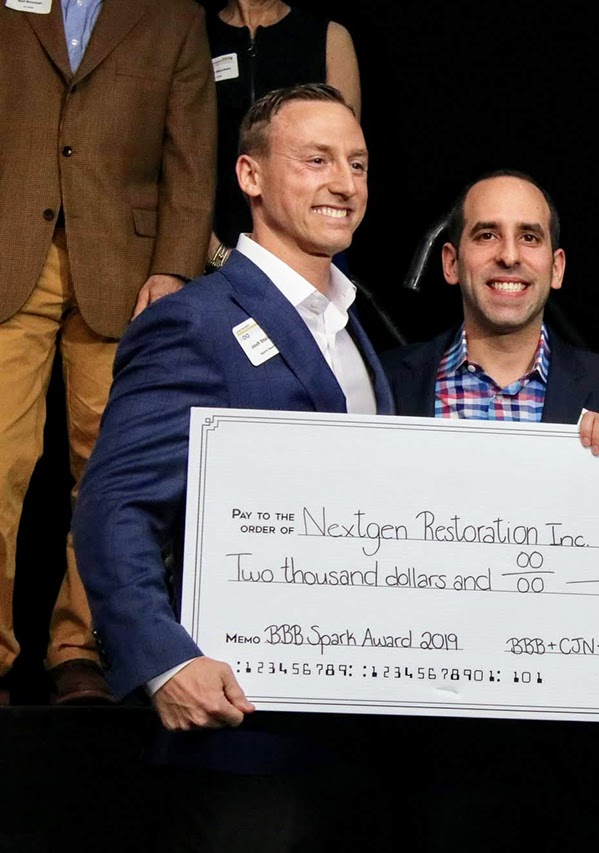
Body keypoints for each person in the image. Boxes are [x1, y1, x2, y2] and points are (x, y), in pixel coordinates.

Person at [72, 83, 392, 850]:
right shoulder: (193, 320)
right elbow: (113, 506)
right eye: (316, 160)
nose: (343, 183)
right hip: (239, 742)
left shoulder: (359, 334)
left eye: (356, 164)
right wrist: (164, 661)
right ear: (250, 175)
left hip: (356, 741)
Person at [380, 170, 599, 852]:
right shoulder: (382, 385)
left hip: (588, 769)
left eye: (529, 237)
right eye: (487, 235)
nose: (509, 255)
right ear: (451, 262)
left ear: (556, 267)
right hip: (428, 762)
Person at [0, 0, 215, 704]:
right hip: (11, 256)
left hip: (126, 268)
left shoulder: (173, 15)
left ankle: (82, 648)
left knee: (109, 466)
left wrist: (175, 266)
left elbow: (192, 154)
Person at [205, 0, 360, 268]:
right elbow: (177, 163)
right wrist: (215, 253)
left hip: (311, 251)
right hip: (215, 246)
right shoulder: (197, 37)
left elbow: (343, 154)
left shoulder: (328, 37)